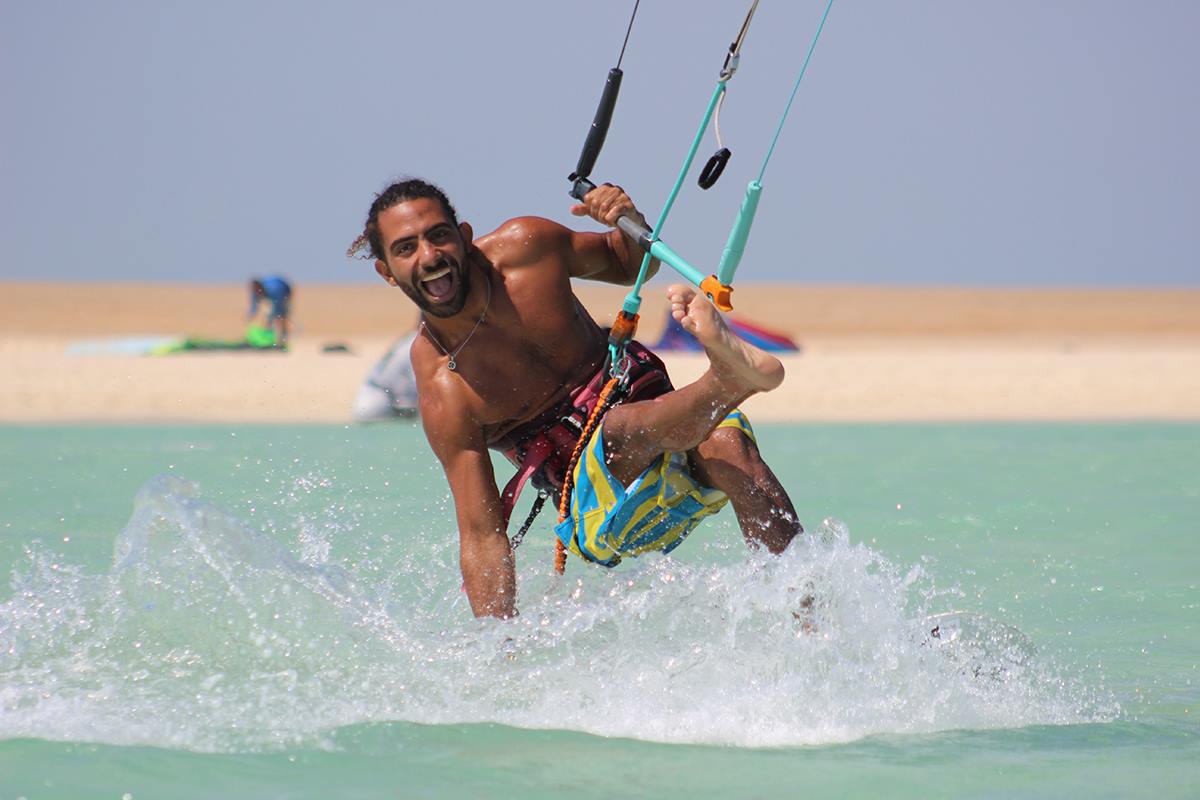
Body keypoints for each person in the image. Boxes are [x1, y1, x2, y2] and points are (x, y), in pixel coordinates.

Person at [354, 178, 802, 619]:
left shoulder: (527, 248)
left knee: (732, 450)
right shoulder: (443, 385)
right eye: (406, 248)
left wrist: (624, 217)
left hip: (669, 426)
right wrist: (498, 648)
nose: (429, 256)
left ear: (465, 236)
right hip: (603, 508)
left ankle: (810, 616)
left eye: (438, 236)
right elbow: (482, 537)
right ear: (387, 272)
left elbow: (632, 264)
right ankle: (727, 381)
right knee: (621, 429)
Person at [248, 275, 292, 346]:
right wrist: (251, 315)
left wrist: (269, 320)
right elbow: (254, 307)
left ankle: (283, 338)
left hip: (284, 291)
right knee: (271, 318)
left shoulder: (274, 290)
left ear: (260, 287)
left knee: (281, 316)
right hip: (273, 292)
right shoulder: (255, 291)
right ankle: (271, 337)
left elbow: (277, 308)